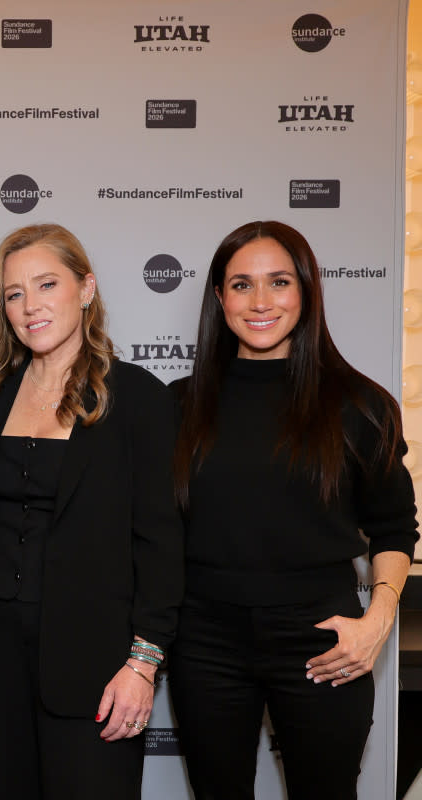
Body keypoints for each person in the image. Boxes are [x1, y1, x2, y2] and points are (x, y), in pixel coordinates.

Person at [170, 220, 417, 798]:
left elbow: (394, 527)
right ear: (218, 296)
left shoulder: (361, 405)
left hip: (323, 638)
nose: (260, 302)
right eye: (241, 285)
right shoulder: (176, 406)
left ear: (306, 291)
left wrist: (376, 623)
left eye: (279, 282)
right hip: (203, 640)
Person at [0, 224, 182, 799]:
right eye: (14, 293)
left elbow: (162, 544)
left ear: (86, 290)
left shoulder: (138, 399)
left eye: (46, 284)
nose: (30, 305)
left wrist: (142, 665)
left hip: (96, 670)